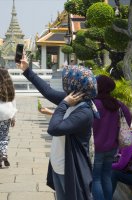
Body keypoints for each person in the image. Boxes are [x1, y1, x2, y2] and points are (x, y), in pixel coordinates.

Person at [17, 57, 98, 200]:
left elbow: (54, 128)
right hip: (59, 165)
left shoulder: (84, 111)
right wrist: (27, 70)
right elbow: (47, 91)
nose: (64, 85)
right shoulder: (73, 99)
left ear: (75, 85)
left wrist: (63, 104)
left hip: (71, 169)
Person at [92, 75, 132, 200]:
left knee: (96, 179)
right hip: (112, 147)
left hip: (96, 147)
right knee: (106, 176)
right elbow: (128, 118)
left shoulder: (93, 104)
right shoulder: (117, 104)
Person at [0, 68, 17, 167]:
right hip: (6, 114)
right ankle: (4, 154)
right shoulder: (9, 87)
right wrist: (13, 117)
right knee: (4, 136)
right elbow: (13, 102)